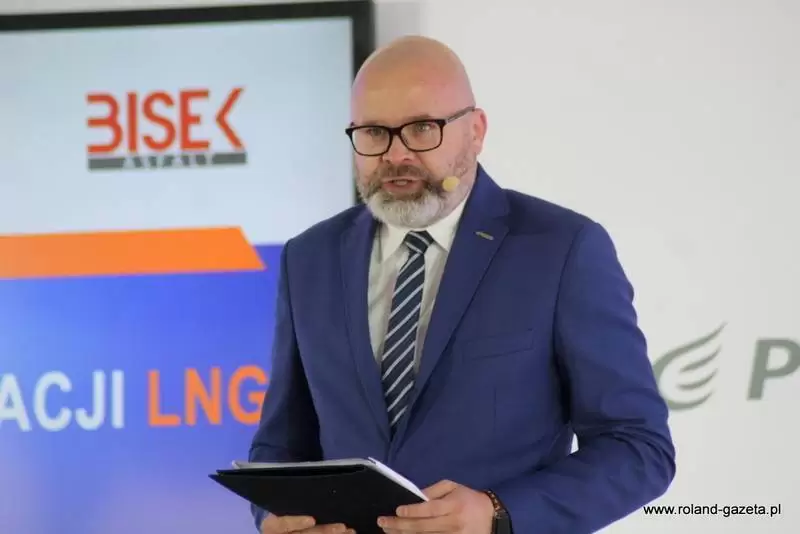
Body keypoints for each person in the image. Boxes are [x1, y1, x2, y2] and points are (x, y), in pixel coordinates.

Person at [249, 35, 676, 534]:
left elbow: (639, 448)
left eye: (422, 129)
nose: (395, 154)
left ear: (475, 131)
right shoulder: (309, 258)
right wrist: (274, 517)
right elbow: (282, 444)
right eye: (373, 133)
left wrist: (499, 512)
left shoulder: (563, 249)